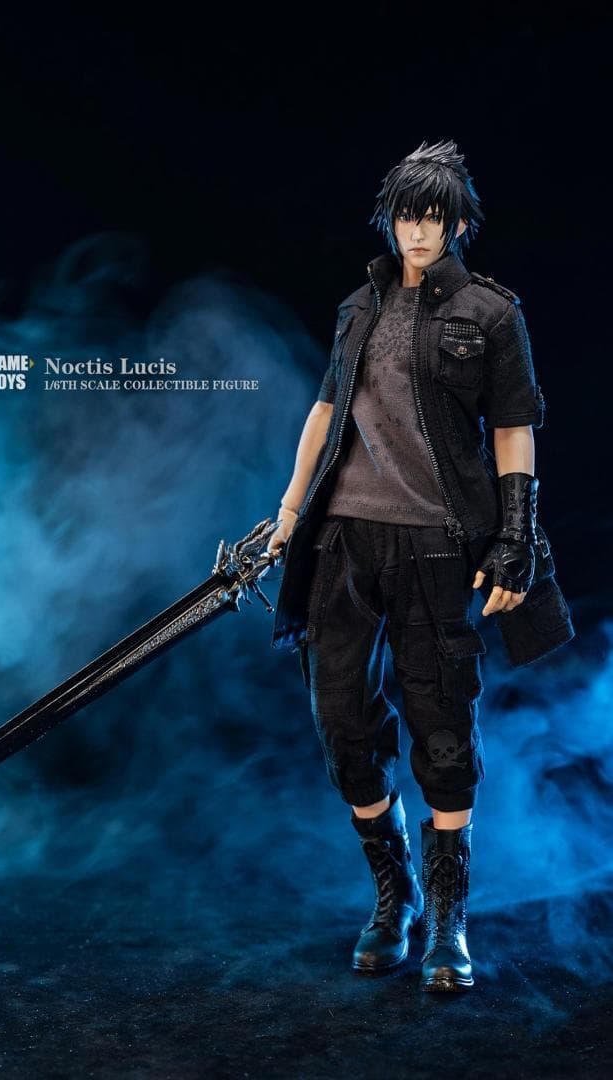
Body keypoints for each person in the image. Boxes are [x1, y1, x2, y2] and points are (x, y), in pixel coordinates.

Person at [266, 139, 574, 993]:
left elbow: (512, 427)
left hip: (436, 545)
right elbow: (325, 411)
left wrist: (515, 533)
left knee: (441, 730)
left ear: (457, 224)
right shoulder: (357, 307)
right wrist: (288, 513)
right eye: (407, 214)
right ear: (389, 218)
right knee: (341, 725)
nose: (418, 230)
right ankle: (393, 891)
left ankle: (445, 917)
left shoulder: (489, 313)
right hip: (342, 543)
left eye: (434, 217)